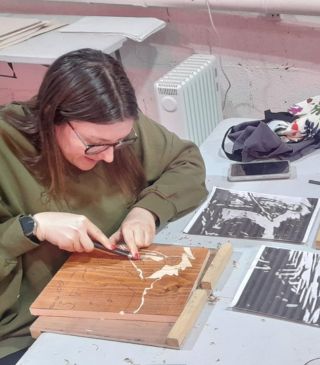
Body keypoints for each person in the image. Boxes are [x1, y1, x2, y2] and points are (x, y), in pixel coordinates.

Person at [0, 48, 208, 363]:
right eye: (95, 145)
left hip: (105, 297)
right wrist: (32, 227)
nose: (110, 157)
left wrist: (147, 212)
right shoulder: (5, 146)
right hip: (25, 330)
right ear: (52, 117)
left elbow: (186, 162)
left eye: (120, 143)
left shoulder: (114, 131)